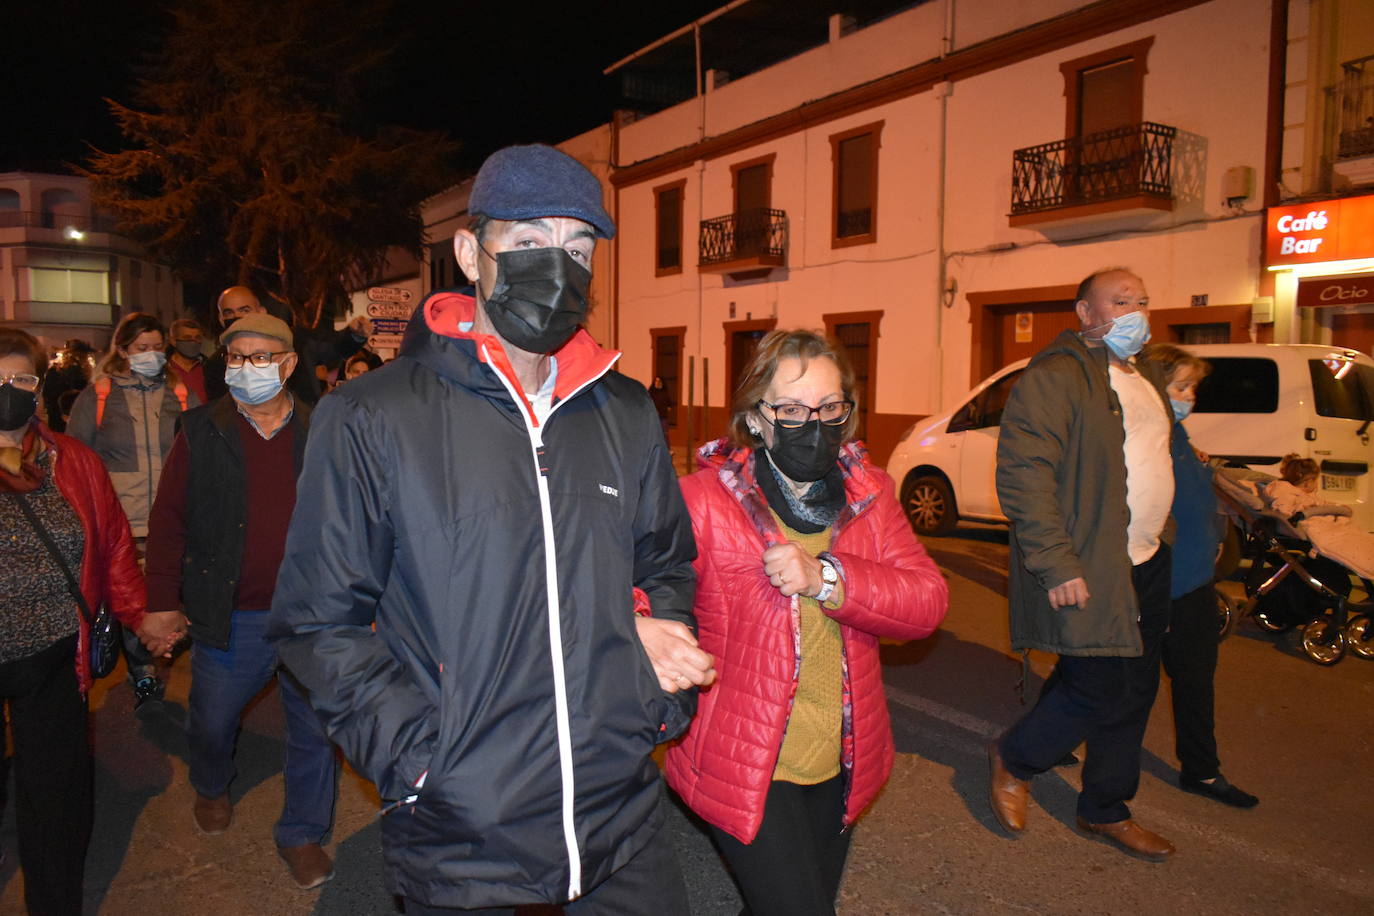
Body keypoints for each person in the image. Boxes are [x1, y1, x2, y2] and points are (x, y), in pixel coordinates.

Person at [268, 143, 710, 914]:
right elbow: (319, 622)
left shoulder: (626, 413)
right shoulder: (374, 416)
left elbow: (665, 560)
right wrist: (420, 761)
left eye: (578, 247)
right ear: (472, 254)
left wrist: (651, 647)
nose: (558, 265)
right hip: (460, 824)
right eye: (531, 242)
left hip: (618, 810)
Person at [666, 329, 948, 916]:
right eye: (792, 409)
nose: (812, 424)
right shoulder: (703, 502)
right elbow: (634, 585)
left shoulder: (871, 498)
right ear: (756, 417)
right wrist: (649, 629)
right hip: (746, 762)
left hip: (841, 754)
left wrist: (827, 579)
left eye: (828, 407)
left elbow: (927, 603)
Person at [143, 313, 339, 890]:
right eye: (237, 357)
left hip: (310, 615)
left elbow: (355, 519)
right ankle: (211, 783)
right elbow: (169, 520)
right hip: (234, 615)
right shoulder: (201, 430)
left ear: (288, 363)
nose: (248, 368)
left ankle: (302, 832)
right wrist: (162, 600)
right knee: (211, 721)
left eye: (261, 357)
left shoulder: (322, 428)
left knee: (317, 731)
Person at [989, 268, 1177, 860]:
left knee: (1136, 688)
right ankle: (1015, 758)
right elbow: (1024, 474)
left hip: (1147, 557)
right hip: (1092, 561)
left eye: (1142, 301)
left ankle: (1104, 808)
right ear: (1085, 312)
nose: (1135, 312)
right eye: (1120, 301)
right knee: (1100, 684)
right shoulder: (1056, 375)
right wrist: (1056, 562)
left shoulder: (1140, 375)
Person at [0, 328, 163, 915]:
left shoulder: (75, 461)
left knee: (55, 796)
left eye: (18, 379)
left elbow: (116, 547)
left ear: (38, 387)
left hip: (54, 656)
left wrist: (142, 617)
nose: (6, 392)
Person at [1137, 343, 1258, 808]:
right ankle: (1049, 737)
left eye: (1193, 387)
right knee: (1112, 674)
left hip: (1192, 584)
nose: (1191, 396)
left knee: (1195, 679)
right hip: (1158, 583)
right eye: (1181, 386)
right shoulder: (1147, 440)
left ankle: (1202, 772)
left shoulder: (1180, 438)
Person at [67, 312, 198, 709]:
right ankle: (142, 669)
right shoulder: (101, 396)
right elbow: (78, 458)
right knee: (132, 598)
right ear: (122, 350)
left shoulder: (181, 395)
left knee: (173, 593)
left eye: (158, 347)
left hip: (174, 518)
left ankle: (166, 645)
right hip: (123, 518)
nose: (152, 355)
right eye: (143, 348)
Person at [202, 286, 369, 405]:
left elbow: (332, 351)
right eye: (229, 312)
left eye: (244, 310)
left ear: (261, 311)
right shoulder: (216, 365)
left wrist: (354, 336)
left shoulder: (295, 341)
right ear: (221, 319)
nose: (237, 316)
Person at [39, 339, 95, 433]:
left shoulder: (54, 370)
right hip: (72, 414)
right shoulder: (82, 372)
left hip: (58, 415)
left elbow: (46, 393)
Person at [165, 317, 210, 405]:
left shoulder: (208, 368)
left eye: (197, 338)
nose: (193, 342)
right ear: (173, 341)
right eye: (187, 338)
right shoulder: (164, 370)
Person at [649, 375, 673, 440]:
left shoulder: (665, 391)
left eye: (658, 381)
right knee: (654, 433)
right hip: (654, 416)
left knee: (665, 433)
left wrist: (669, 406)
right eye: (656, 381)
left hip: (663, 415)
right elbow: (648, 402)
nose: (657, 382)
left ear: (662, 382)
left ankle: (666, 449)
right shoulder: (651, 391)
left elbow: (669, 401)